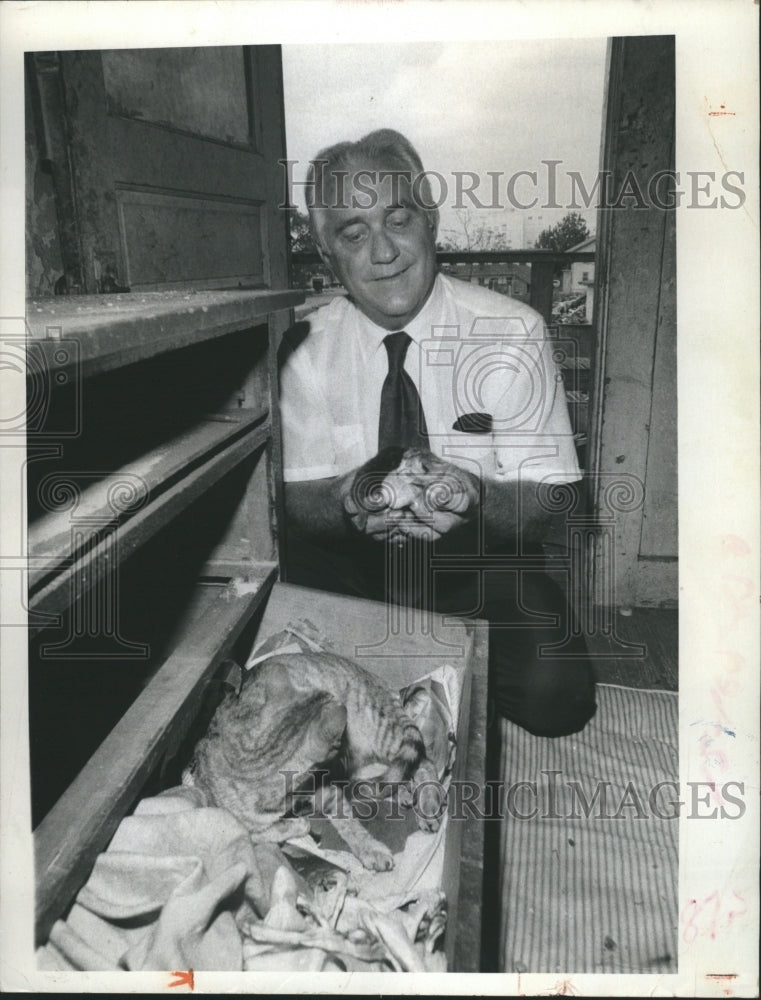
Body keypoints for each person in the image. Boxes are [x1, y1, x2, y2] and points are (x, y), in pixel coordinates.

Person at [279, 128, 596, 739]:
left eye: (398, 219)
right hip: (354, 573)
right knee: (292, 702)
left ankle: (424, 672)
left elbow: (557, 500)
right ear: (327, 256)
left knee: (557, 700)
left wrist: (474, 496)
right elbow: (297, 501)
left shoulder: (511, 331)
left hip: (481, 570)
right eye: (352, 232)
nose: (383, 251)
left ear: (431, 221)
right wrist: (349, 499)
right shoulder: (303, 348)